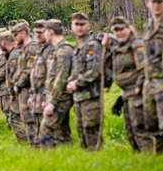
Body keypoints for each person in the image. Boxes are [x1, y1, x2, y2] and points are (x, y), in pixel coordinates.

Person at [103, 16, 151, 152]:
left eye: (122, 29)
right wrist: (106, 49)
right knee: (129, 130)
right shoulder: (117, 48)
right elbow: (108, 69)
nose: (119, 32)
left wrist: (138, 87)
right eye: (116, 30)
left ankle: (150, 158)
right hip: (126, 94)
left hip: (137, 94)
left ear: (129, 29)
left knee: (140, 128)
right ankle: (138, 159)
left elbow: (144, 69)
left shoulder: (136, 45)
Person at [67, 12, 105, 150]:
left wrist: (76, 83)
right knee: (81, 130)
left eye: (82, 24)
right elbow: (75, 70)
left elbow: (94, 71)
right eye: (76, 25)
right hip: (79, 97)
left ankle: (97, 161)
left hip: (91, 96)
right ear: (72, 27)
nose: (79, 28)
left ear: (88, 26)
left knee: (91, 130)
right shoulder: (77, 47)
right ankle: (87, 163)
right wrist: (70, 81)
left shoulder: (93, 45)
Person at [142, 0, 163, 153]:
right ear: (148, 3)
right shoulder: (148, 26)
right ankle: (158, 156)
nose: (157, 5)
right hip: (149, 81)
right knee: (151, 123)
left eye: (160, 2)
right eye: (154, 2)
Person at [39, 19, 74, 148]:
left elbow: (61, 78)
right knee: (62, 133)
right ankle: (68, 159)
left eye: (45, 32)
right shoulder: (57, 49)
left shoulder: (63, 51)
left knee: (45, 129)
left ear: (50, 32)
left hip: (60, 98)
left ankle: (47, 162)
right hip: (57, 97)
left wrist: (52, 103)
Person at [11, 21, 39, 146]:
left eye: (16, 35)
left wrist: (18, 84)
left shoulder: (32, 48)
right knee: (26, 117)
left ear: (23, 33)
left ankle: (36, 145)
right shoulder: (25, 49)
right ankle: (32, 144)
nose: (14, 39)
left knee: (30, 117)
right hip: (24, 89)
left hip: (28, 88)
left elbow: (28, 70)